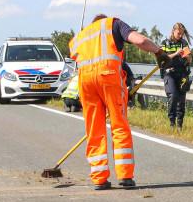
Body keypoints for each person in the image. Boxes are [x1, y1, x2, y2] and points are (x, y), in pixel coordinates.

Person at [69, 14, 166, 190]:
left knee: (94, 129)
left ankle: (99, 179)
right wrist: (159, 51)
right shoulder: (113, 25)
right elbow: (140, 40)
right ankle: (125, 176)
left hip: (85, 83)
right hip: (108, 78)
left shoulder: (80, 36)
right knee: (119, 125)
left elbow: (74, 55)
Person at [160, 22, 193, 128]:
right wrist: (176, 53)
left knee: (181, 100)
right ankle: (172, 122)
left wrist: (188, 57)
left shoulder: (183, 43)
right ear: (173, 31)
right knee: (173, 96)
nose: (180, 36)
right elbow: (161, 59)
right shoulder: (165, 43)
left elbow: (190, 60)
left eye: (182, 34)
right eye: (178, 33)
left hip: (182, 73)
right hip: (169, 74)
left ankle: (179, 124)